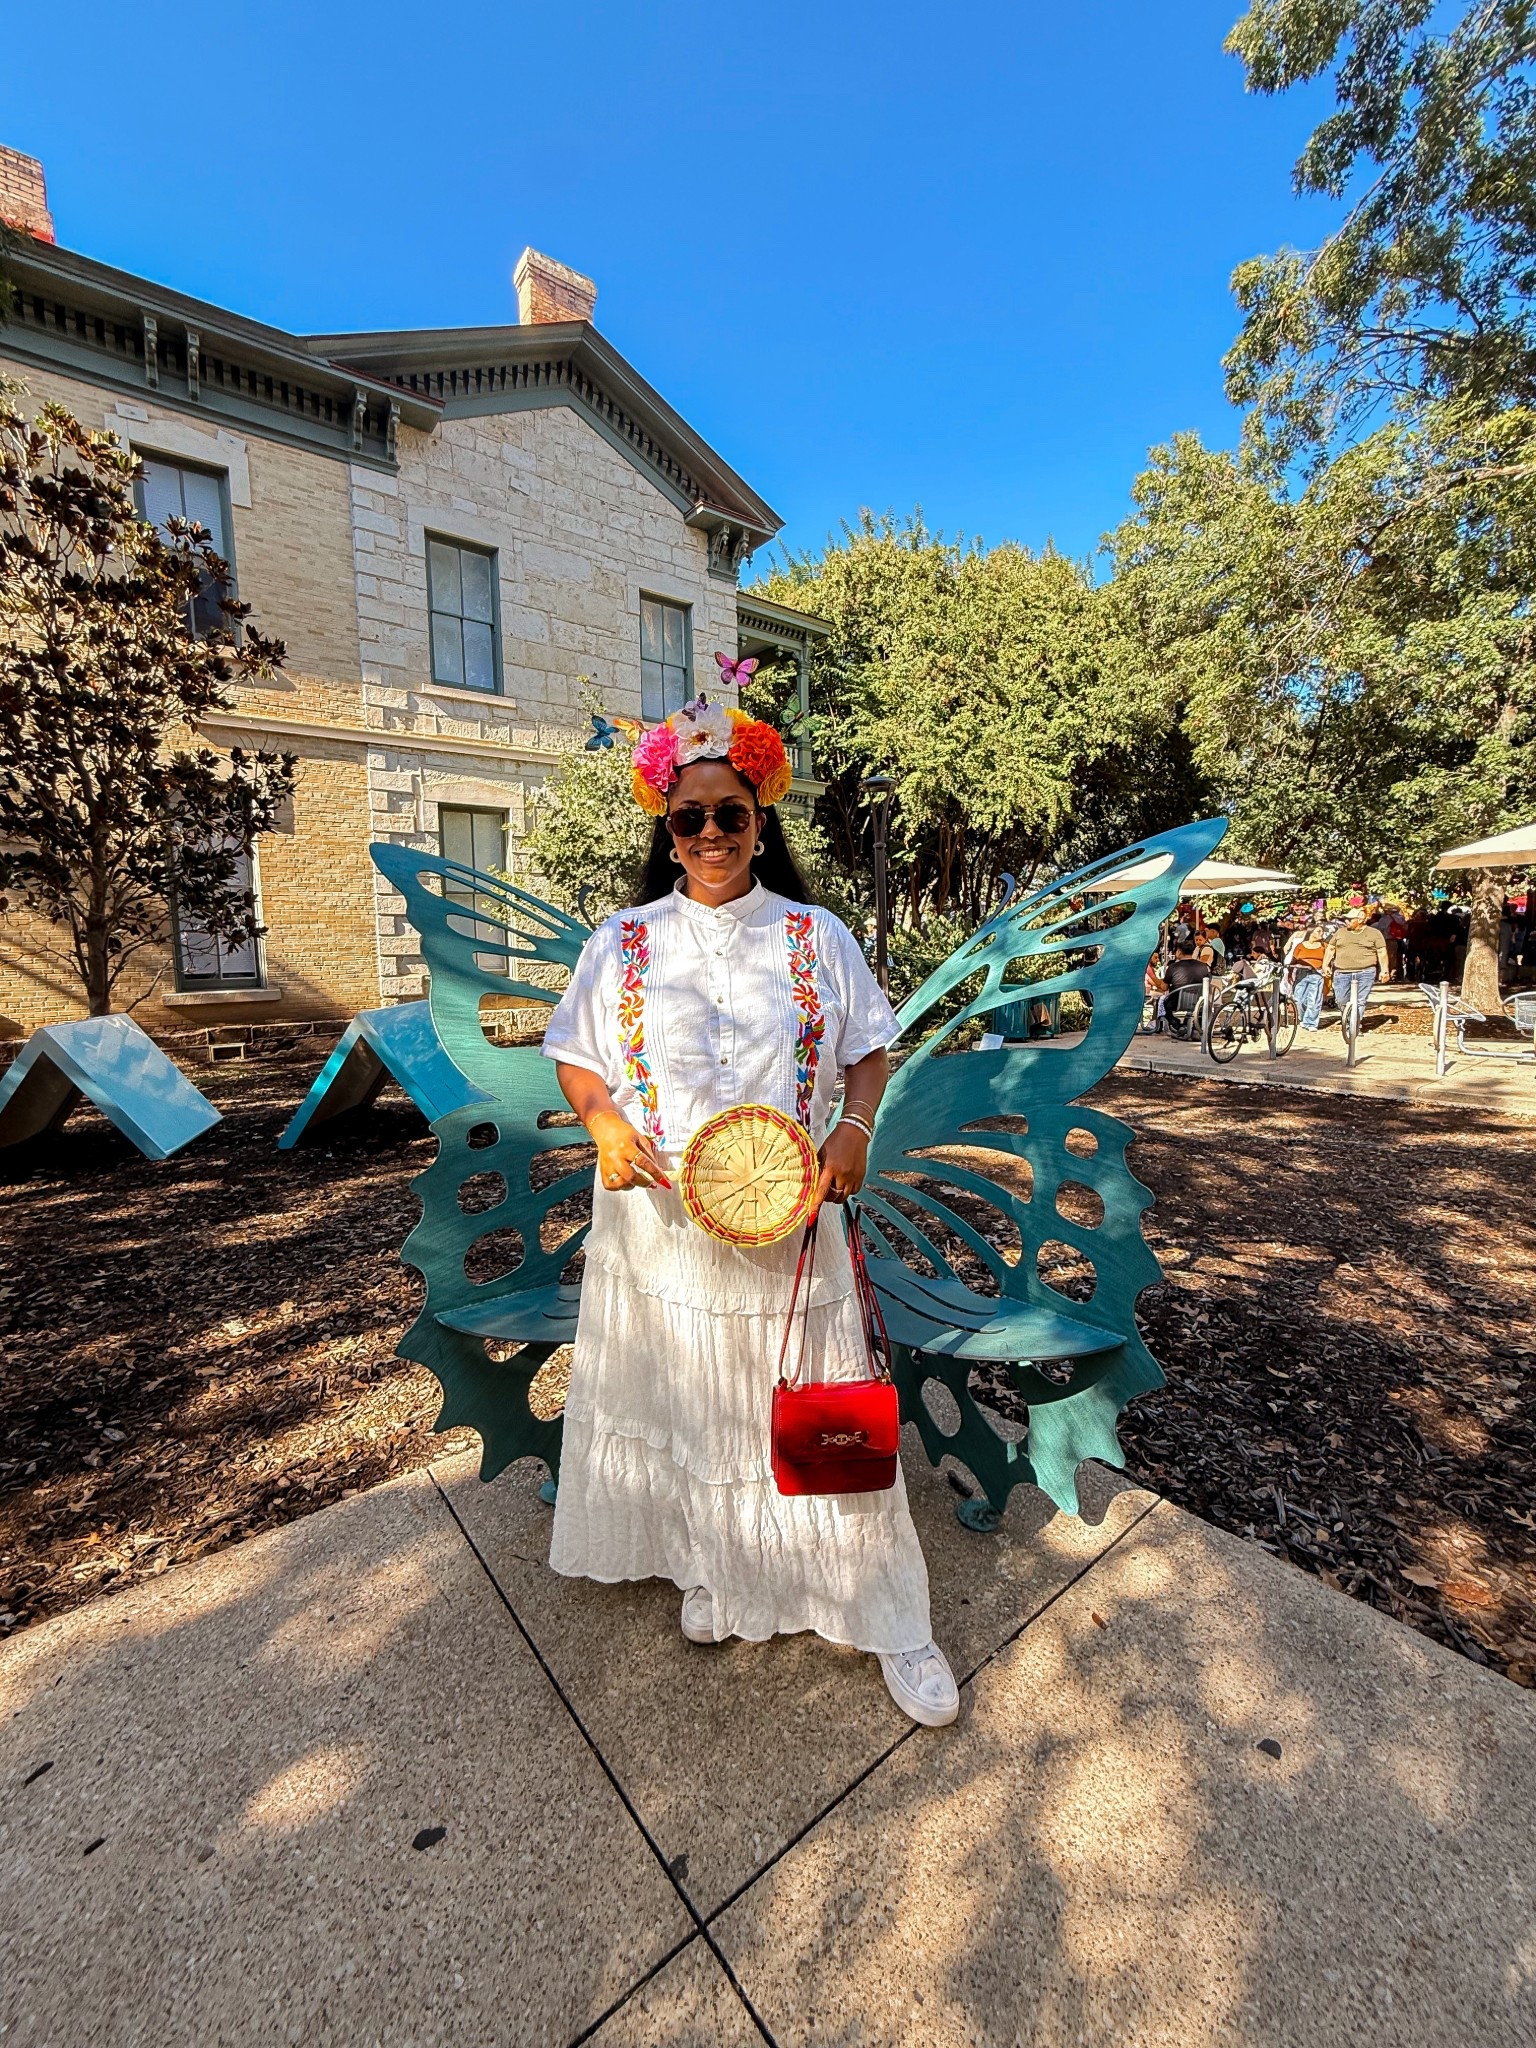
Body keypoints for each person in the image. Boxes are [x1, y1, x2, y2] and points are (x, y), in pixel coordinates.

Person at [541, 692, 959, 1728]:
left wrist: (854, 1129)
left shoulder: (816, 935)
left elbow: (869, 1045)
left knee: (826, 1405)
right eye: (691, 818)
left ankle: (890, 1611)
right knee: (697, 1408)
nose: (713, 833)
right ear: (667, 830)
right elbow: (578, 1056)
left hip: (792, 1210)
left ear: (763, 819)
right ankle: (724, 1574)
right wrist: (600, 1126)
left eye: (731, 813)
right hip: (663, 1225)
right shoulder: (624, 938)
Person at [1324, 907, 1388, 1030]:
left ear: (1360, 920)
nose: (1346, 921)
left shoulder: (1374, 933)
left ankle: (1354, 1026)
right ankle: (1349, 1020)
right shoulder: (1340, 932)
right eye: (1346, 919)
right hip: (1342, 972)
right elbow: (1331, 948)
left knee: (1359, 1000)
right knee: (1341, 1000)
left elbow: (1381, 952)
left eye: (1349, 919)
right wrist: (1325, 964)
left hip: (1366, 971)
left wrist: (1384, 970)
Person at [1152, 935, 1212, 1029]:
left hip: (1176, 1002)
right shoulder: (1203, 967)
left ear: (1179, 952)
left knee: (1162, 1001)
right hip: (1199, 1002)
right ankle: (1194, 1027)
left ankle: (1176, 1024)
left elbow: (1164, 988)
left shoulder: (1173, 967)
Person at [1284, 922, 1329, 1030]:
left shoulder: (1324, 946)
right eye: (1318, 931)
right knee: (1299, 1000)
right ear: (1311, 932)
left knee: (1314, 1000)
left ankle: (1311, 1023)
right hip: (1301, 973)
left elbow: (1328, 960)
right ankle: (1303, 1018)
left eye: (1322, 931)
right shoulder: (1300, 945)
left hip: (1317, 974)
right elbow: (1293, 959)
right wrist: (1290, 972)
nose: (1321, 933)